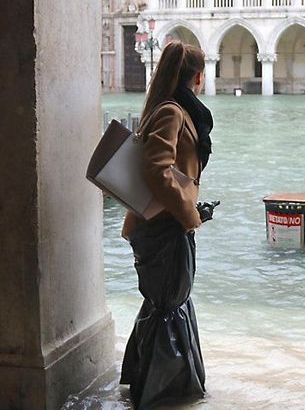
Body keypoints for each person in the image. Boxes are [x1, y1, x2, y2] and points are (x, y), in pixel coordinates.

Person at [119, 40, 214, 409]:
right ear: (198, 76)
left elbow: (172, 171)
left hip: (164, 222)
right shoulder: (173, 112)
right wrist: (189, 215)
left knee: (165, 302)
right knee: (167, 303)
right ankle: (160, 394)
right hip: (162, 226)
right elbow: (157, 170)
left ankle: (153, 383)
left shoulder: (174, 109)